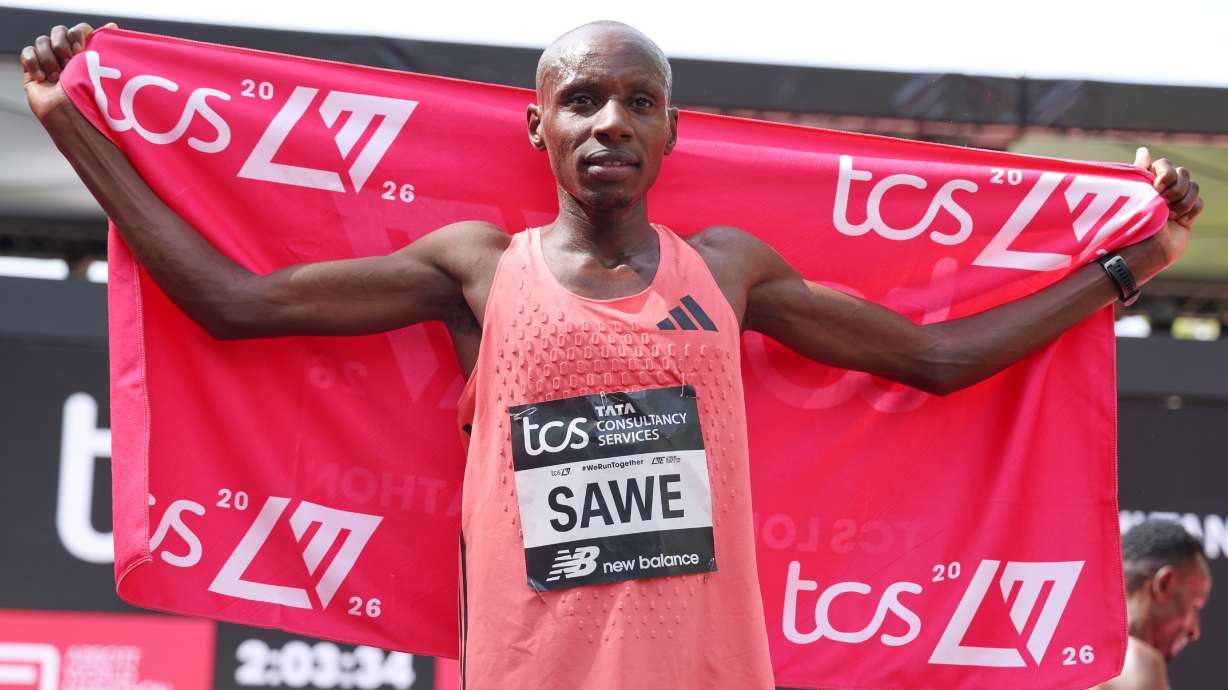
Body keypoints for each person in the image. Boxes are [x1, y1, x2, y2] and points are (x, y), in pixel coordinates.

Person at [21, 19, 1204, 690]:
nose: (610, 123)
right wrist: (77, 127)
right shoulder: (478, 269)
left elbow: (936, 361)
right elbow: (232, 303)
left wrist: (1126, 270)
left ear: (671, 129)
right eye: (583, 99)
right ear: (536, 124)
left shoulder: (727, 273)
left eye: (638, 101)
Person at [1094, 520, 1213, 690]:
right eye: (1195, 606)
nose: (1195, 631)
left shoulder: (1069, 655)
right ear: (1164, 584)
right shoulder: (1137, 664)